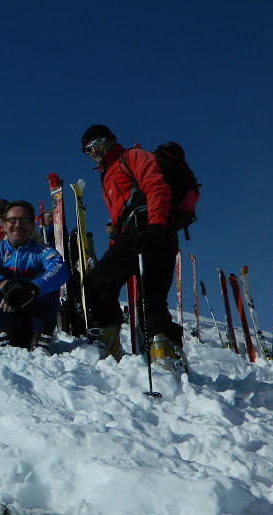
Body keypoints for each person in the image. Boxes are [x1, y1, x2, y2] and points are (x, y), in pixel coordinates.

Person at [80, 124, 185, 370]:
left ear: (111, 140)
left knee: (97, 282)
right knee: (152, 296)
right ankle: (165, 352)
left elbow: (157, 188)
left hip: (149, 228)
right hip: (149, 231)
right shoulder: (106, 174)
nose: (93, 150)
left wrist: (155, 227)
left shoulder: (133, 156)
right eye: (87, 149)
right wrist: (117, 234)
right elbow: (125, 208)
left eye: (97, 143)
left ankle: (109, 337)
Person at [0, 201, 68, 352]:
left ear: (32, 226)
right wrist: (6, 286)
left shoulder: (43, 250)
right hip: (4, 321)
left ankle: (41, 343)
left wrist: (31, 288)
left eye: (24, 220)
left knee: (47, 280)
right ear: (3, 226)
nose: (18, 224)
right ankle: (2, 340)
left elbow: (60, 269)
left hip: (35, 325)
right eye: (12, 220)